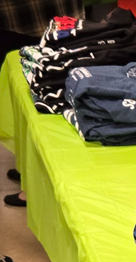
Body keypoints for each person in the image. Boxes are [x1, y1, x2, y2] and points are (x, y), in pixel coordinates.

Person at [1, 0, 84, 207]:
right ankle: (31, 174)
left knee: (45, 107)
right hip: (39, 19)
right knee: (27, 102)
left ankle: (39, 186)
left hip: (35, 17)